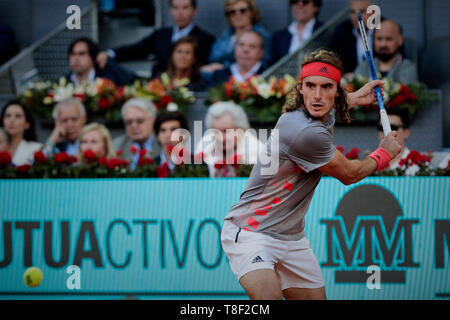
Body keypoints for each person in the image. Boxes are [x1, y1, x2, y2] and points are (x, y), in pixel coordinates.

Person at [220, 49, 402, 300]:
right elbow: (350, 174)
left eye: (326, 86)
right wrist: (384, 153)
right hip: (252, 232)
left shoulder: (311, 113)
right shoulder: (305, 132)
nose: (317, 96)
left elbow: (325, 105)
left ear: (336, 90)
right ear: (300, 89)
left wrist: (355, 98)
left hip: (292, 238)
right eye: (311, 86)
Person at [96, 0, 215, 77]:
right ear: (170, 10)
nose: (180, 13)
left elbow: (209, 67)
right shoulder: (161, 35)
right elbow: (137, 48)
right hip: (158, 88)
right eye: (176, 8)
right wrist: (110, 53)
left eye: (185, 8)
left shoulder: (206, 39)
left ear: (194, 11)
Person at [195, 101, 265, 177]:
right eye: (215, 131)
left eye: (225, 131)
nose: (220, 138)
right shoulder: (204, 145)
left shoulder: (256, 149)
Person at [202, 0, 270, 74]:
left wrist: (224, 68)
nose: (238, 15)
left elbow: (265, 64)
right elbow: (213, 58)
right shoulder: (226, 35)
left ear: (252, 12)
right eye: (232, 12)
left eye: (242, 11)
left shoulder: (261, 36)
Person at [354, 19, 418, 84]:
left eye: (389, 39)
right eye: (379, 39)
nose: (383, 44)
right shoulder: (364, 67)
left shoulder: (408, 68)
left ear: (400, 40)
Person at [328, 0, 376, 76]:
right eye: (353, 12)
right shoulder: (341, 31)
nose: (356, 17)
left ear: (373, 12)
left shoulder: (385, 27)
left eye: (362, 12)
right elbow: (334, 60)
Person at [269, 0, 323, 66]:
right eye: (295, 1)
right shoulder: (279, 36)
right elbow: (272, 66)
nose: (300, 5)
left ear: (316, 6)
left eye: (305, 1)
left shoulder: (326, 32)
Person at [113, 98, 160, 170]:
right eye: (129, 122)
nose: (134, 126)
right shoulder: (115, 146)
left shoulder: (163, 143)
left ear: (153, 120)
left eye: (140, 121)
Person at [66, 37, 136, 86]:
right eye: (73, 54)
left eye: (82, 54)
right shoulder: (63, 84)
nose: (76, 58)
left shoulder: (110, 80)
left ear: (93, 58)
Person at [377, 108, 419, 175]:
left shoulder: (419, 166)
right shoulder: (370, 164)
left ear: (406, 132)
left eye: (393, 128)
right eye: (382, 128)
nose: (387, 133)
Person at [0, 101, 42, 165]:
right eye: (8, 116)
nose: (12, 120)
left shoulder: (37, 149)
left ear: (27, 124)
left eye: (18, 116)